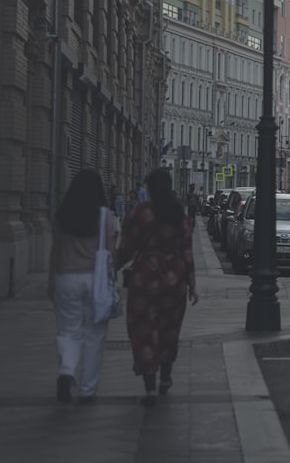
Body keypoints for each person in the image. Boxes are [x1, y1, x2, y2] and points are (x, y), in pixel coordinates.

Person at [118, 168, 198, 406]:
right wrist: (192, 284)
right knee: (168, 331)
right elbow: (187, 252)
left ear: (150, 188)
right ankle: (165, 377)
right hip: (174, 279)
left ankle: (150, 388)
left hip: (145, 278)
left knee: (144, 330)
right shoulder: (178, 214)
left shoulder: (140, 213)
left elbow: (126, 248)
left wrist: (111, 267)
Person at [48, 168, 120, 404]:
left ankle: (67, 371)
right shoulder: (105, 217)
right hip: (95, 281)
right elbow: (110, 254)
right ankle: (88, 389)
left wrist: (52, 280)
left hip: (66, 278)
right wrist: (113, 285)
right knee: (94, 336)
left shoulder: (63, 214)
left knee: (68, 330)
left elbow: (55, 250)